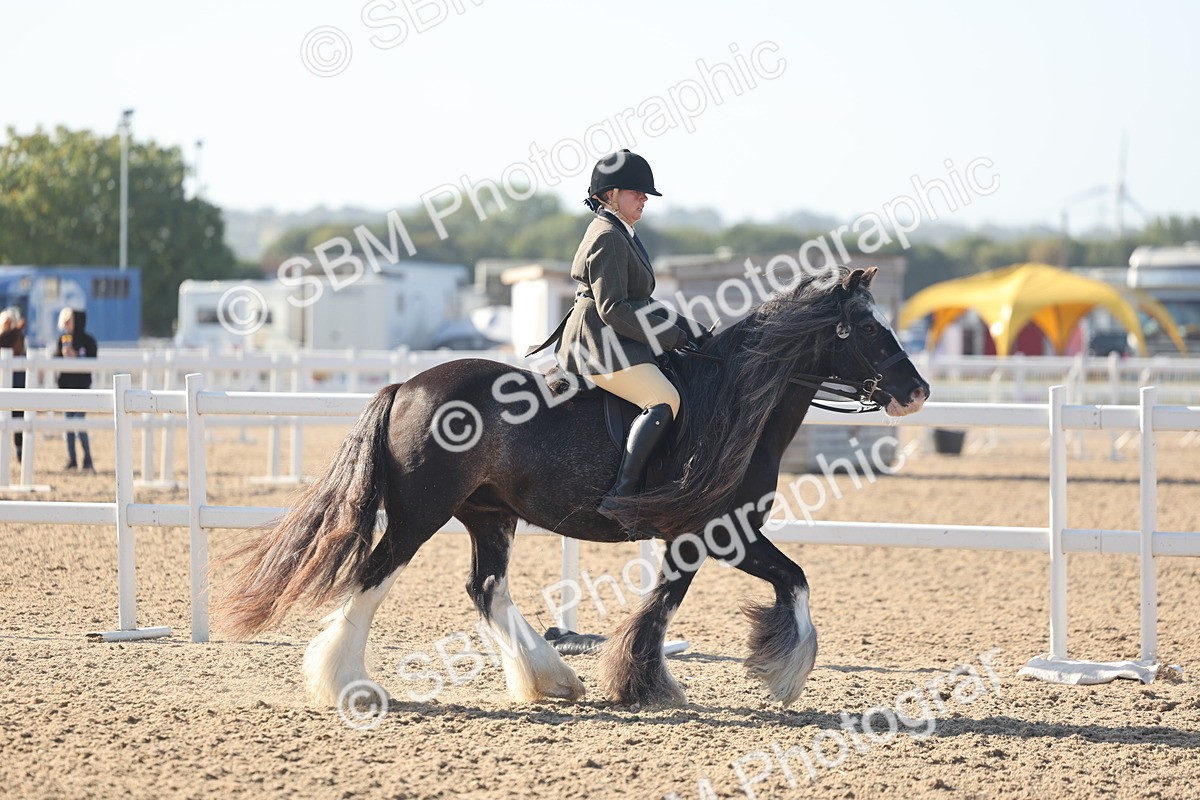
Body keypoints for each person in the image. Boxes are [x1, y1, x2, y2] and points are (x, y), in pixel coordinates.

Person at [528, 150, 708, 524]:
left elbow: (642, 300)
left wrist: (689, 328)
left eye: (645, 194)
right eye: (636, 192)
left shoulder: (623, 232)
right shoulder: (609, 236)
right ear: (610, 194)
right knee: (663, 399)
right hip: (596, 344)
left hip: (614, 337)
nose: (645, 198)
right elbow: (613, 308)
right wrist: (670, 338)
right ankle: (621, 496)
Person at [54, 307, 97, 471]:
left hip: (82, 387)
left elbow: (93, 359)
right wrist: (62, 354)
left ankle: (87, 459)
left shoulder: (87, 340)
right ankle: (72, 459)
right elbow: (54, 359)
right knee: (68, 426)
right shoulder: (62, 340)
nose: (66, 324)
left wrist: (76, 356)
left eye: (69, 320)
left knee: (79, 424)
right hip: (66, 387)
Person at [0, 307, 26, 462]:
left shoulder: (18, 337)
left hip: (17, 381)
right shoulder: (7, 336)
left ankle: (19, 451)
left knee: (18, 416)